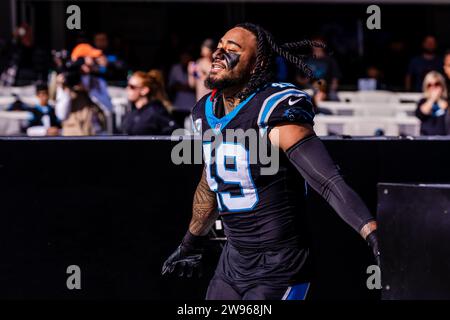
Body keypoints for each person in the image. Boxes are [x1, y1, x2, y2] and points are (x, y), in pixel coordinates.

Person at [161, 23, 379, 300]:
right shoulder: (205, 110)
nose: (219, 53)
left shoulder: (272, 106)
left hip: (279, 265)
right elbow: (211, 181)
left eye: (232, 49)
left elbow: (326, 180)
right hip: (233, 262)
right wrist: (191, 241)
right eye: (219, 46)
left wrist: (374, 236)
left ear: (257, 63)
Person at [122, 70, 178, 135]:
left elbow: (173, 132)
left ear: (144, 90)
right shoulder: (132, 112)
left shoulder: (156, 111)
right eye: (127, 85)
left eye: (132, 87)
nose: (127, 89)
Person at [415, 71, 450, 135]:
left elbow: (445, 107)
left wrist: (439, 99)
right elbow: (421, 114)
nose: (433, 87)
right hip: (426, 139)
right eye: (430, 85)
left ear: (442, 85)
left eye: (437, 84)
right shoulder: (423, 101)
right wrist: (432, 99)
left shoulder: (447, 101)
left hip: (445, 139)